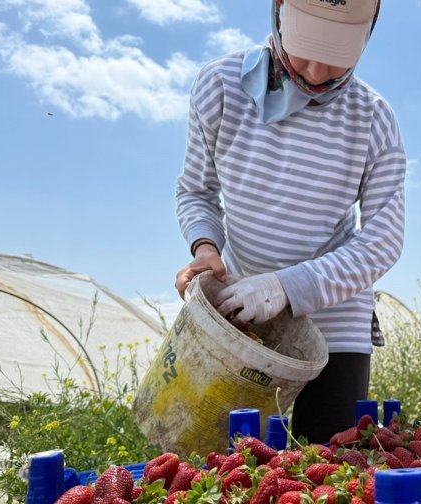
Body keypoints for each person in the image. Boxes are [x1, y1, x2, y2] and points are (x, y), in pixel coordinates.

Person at [173, 0, 405, 443]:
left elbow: (383, 240)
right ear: (278, 14)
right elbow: (196, 190)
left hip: (335, 319)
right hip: (241, 313)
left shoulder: (374, 118)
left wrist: (284, 287)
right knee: (226, 459)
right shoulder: (221, 86)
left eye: (336, 54)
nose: (317, 72)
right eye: (305, 48)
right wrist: (205, 248)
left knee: (328, 463)